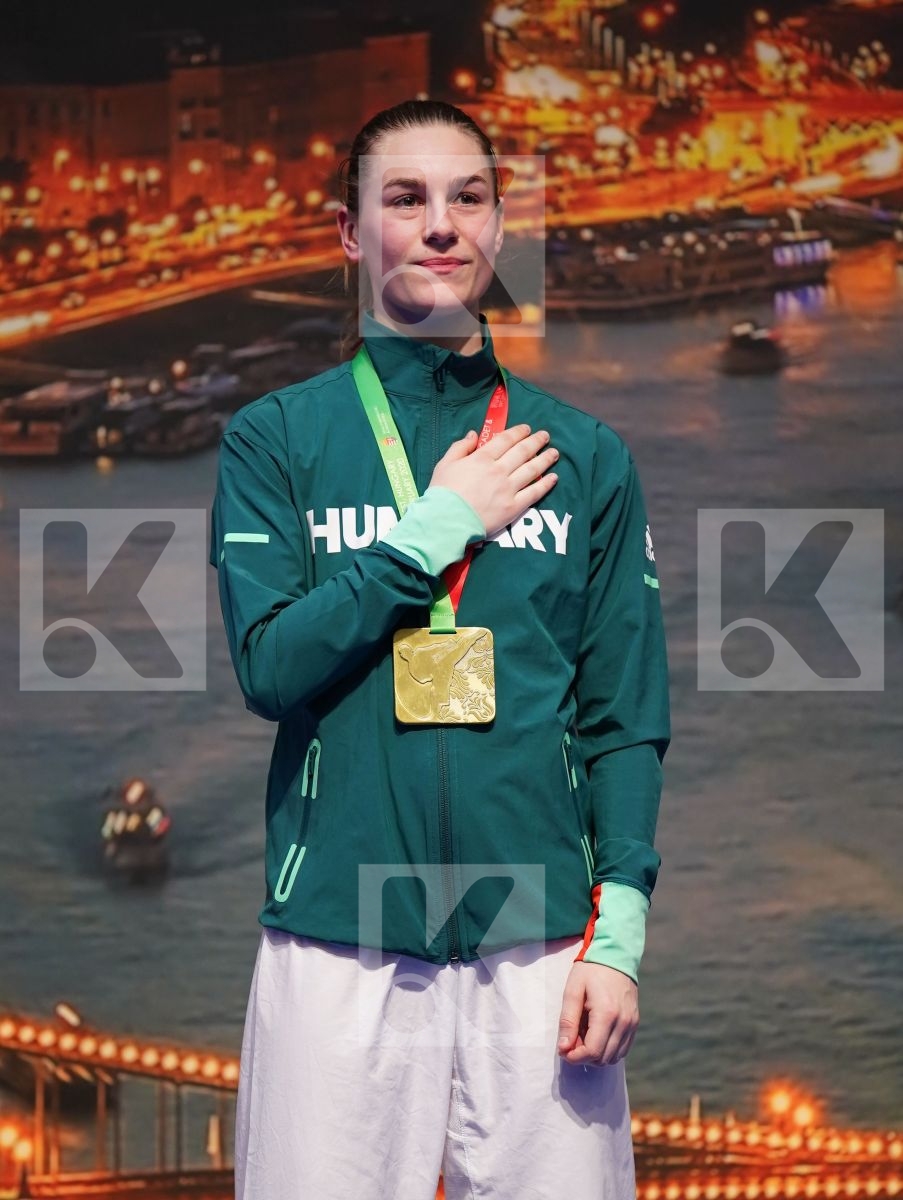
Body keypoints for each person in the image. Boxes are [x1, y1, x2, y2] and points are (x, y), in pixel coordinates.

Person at [209, 98, 670, 1200]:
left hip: (542, 947)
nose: (440, 226)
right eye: (405, 200)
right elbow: (271, 668)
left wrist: (620, 941)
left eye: (468, 198)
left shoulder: (586, 457)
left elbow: (624, 721)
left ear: (503, 228)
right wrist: (434, 531)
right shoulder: (276, 441)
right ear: (349, 234)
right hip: (337, 945)